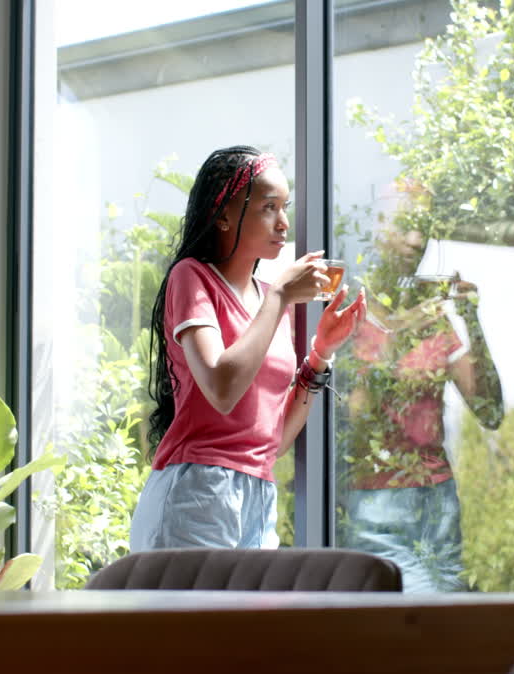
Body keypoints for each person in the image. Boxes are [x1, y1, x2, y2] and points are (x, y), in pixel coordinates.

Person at [130, 145, 367, 550]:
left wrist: (321, 354)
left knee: (254, 616)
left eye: (285, 207)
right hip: (196, 492)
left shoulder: (268, 300)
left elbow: (269, 440)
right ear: (223, 214)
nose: (283, 223)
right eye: (267, 207)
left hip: (259, 494)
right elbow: (221, 389)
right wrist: (280, 297)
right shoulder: (192, 278)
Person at [336, 189, 504, 592]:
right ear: (376, 230)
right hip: (377, 502)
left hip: (440, 501)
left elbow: (490, 412)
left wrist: (471, 320)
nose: (415, 240)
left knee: (449, 622)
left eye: (423, 230)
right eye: (405, 227)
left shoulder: (431, 320)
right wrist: (397, 336)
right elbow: (353, 425)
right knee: (422, 620)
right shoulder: (350, 317)